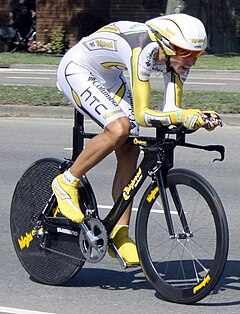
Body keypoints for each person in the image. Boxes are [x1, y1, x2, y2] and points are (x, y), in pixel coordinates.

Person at [52, 13, 222, 266]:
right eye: (188, 54)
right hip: (78, 69)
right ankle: (67, 182)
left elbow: (170, 110)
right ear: (168, 45)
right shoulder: (143, 49)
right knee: (120, 129)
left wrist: (195, 119)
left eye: (197, 55)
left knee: (130, 147)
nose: (192, 62)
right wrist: (185, 117)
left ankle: (119, 233)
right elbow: (144, 115)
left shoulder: (177, 62)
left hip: (109, 79)